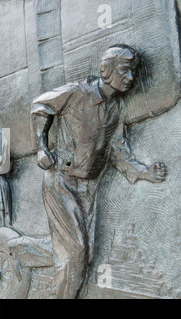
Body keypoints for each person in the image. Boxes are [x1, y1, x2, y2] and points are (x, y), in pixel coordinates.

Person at [31, 44, 167, 299]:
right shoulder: (77, 92)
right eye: (125, 71)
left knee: (85, 255)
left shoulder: (116, 109)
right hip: (62, 181)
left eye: (133, 73)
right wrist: (41, 147)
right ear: (106, 70)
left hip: (89, 187)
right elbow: (40, 107)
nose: (131, 78)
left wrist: (145, 172)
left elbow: (119, 151)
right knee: (75, 252)